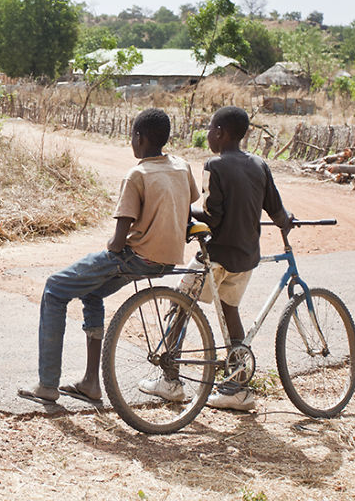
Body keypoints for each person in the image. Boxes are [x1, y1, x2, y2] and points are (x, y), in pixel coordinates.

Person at [18, 108, 199, 405]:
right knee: (91, 293)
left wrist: (112, 244)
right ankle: (90, 383)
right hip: (166, 260)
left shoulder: (137, 175)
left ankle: (47, 385)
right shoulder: (182, 166)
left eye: (132, 136)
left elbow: (117, 242)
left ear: (139, 139)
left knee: (54, 288)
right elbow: (188, 203)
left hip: (136, 257)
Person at [140, 106, 292, 411]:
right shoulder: (259, 164)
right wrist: (288, 220)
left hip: (217, 255)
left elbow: (212, 215)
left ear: (220, 132)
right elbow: (277, 211)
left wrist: (183, 209)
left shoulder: (215, 165)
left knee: (179, 306)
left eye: (210, 129)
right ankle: (237, 387)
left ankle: (170, 381)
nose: (209, 134)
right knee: (229, 309)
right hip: (247, 256)